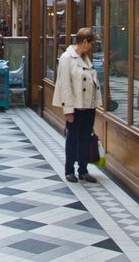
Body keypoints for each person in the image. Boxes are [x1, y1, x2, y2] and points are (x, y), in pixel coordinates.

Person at [52, 27, 101, 183]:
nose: (92, 48)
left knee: (85, 138)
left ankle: (83, 170)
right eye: (92, 44)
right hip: (75, 106)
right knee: (73, 138)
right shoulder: (67, 58)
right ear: (85, 42)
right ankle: (69, 170)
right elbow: (64, 85)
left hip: (88, 106)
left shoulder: (85, 58)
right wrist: (68, 110)